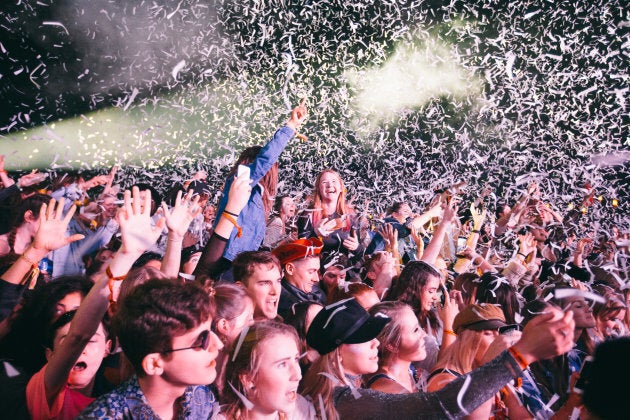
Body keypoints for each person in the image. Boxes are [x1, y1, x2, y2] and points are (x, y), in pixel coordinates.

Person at [302, 296, 576, 420]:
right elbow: (438, 407)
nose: (376, 342)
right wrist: (518, 355)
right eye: (364, 338)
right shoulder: (343, 400)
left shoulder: (344, 391)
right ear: (338, 351)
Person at [213, 101, 308, 280]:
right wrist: (290, 126)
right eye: (273, 167)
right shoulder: (241, 180)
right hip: (229, 260)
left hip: (239, 261)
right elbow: (265, 159)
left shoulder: (255, 194)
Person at [220, 320, 315, 419]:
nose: (298, 375)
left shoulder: (304, 413)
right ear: (249, 379)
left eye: (296, 359)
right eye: (282, 364)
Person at [386, 260, 461, 372]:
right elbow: (441, 368)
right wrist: (449, 325)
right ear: (413, 288)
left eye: (437, 291)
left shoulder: (430, 315)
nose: (435, 297)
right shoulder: (398, 320)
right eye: (431, 291)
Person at [297, 169, 363, 267]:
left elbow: (359, 256)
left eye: (334, 181)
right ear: (319, 188)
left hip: (342, 274)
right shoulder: (307, 215)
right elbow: (300, 252)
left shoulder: (351, 216)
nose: (330, 185)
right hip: (316, 272)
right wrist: (315, 234)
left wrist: (356, 247)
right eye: (324, 182)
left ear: (341, 188)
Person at [366, 301, 427, 394]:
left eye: (419, 327)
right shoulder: (386, 388)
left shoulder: (414, 373)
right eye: (415, 330)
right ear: (392, 345)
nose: (424, 334)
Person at [211, 282, 254, 398]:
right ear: (224, 326)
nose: (253, 324)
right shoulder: (202, 378)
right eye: (248, 320)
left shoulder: (236, 364)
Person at [272, 237, 326, 318]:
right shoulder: (279, 304)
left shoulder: (319, 294)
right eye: (311, 272)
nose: (316, 279)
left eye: (317, 271)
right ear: (290, 269)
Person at [232, 251, 283, 321]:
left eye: (278, 281)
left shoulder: (287, 328)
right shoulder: (228, 328)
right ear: (240, 288)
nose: (275, 292)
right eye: (265, 283)